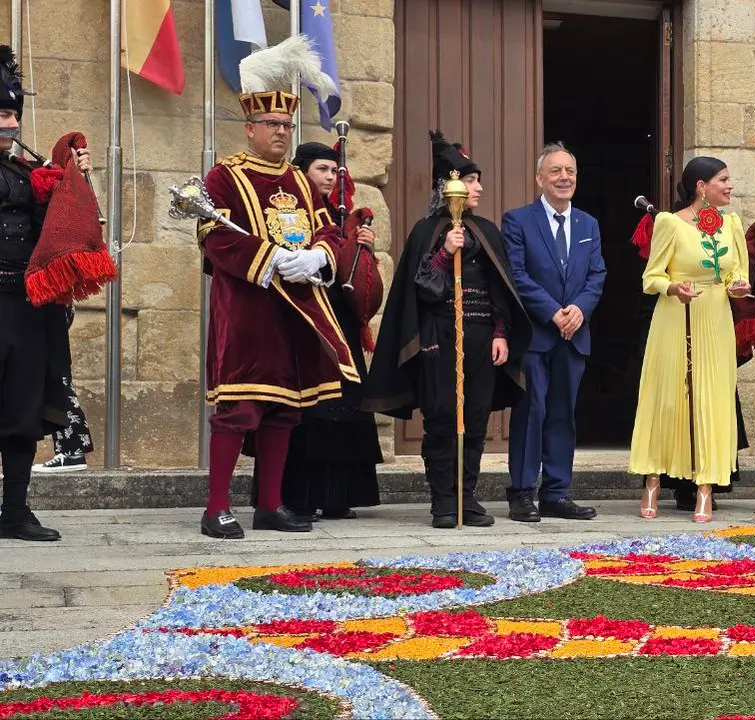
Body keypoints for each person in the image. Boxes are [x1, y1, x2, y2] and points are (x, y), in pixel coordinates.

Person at [197, 36, 359, 539]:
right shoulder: (224, 177)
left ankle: (270, 505)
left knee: (285, 411)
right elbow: (213, 236)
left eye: (287, 126)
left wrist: (318, 256)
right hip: (247, 310)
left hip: (297, 311)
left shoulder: (300, 181)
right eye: (273, 125)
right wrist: (269, 259)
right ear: (250, 127)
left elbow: (328, 230)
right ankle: (216, 508)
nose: (282, 133)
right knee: (238, 409)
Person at [364, 131, 530, 528]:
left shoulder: (487, 231)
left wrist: (501, 332)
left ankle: (466, 498)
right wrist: (444, 254)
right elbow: (419, 290)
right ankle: (443, 502)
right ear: (448, 187)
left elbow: (501, 289)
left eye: (478, 180)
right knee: (441, 418)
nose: (479, 188)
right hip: (439, 337)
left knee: (475, 420)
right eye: (471, 180)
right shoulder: (427, 231)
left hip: (482, 338)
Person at [245, 141, 383, 520]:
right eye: (322, 169)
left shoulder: (343, 217)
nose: (330, 177)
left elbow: (359, 283)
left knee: (343, 408)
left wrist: (362, 249)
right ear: (302, 171)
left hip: (340, 321)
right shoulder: (286, 211)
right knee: (305, 411)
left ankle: (337, 496)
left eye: (334, 171)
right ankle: (295, 497)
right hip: (301, 319)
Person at [0, 45, 95, 541]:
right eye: (1, 114)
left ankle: (14, 513)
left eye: (13, 113)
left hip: (26, 307)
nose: (10, 123)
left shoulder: (28, 174)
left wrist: (72, 178)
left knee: (22, 413)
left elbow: (55, 234)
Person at [629, 157, 750, 522]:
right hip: (675, 318)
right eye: (723, 180)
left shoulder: (731, 224)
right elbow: (651, 278)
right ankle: (652, 480)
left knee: (713, 400)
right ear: (701, 186)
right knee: (668, 399)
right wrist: (672, 288)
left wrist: (737, 287)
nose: (729, 186)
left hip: (715, 319)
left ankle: (706, 486)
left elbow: (736, 275)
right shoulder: (670, 223)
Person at [502, 143, 605, 522]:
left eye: (570, 171)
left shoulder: (588, 224)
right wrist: (552, 312)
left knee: (563, 414)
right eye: (556, 171)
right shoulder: (518, 220)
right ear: (539, 179)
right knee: (532, 411)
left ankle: (556, 493)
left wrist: (578, 309)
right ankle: (522, 493)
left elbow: (597, 274)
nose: (564, 178)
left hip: (573, 335)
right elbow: (516, 274)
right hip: (535, 335)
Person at [34, 308, 93, 473]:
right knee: (55, 380)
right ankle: (69, 451)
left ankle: (72, 452)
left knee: (58, 381)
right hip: (45, 307)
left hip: (46, 307)